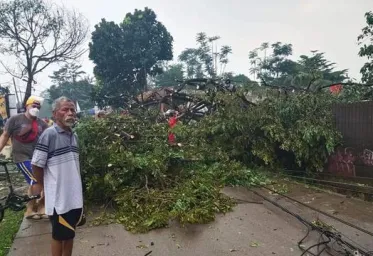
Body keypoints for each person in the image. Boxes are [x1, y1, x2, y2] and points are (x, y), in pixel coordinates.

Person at [31, 96, 83, 256]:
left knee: (70, 235)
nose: (70, 113)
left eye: (72, 110)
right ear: (55, 114)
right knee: (59, 236)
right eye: (65, 109)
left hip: (73, 198)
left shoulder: (73, 136)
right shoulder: (50, 134)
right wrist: (40, 185)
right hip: (59, 199)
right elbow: (36, 163)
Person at [0, 96, 48, 219]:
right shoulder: (15, 120)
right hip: (22, 157)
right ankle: (38, 208)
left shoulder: (41, 123)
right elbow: (5, 136)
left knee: (36, 182)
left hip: (37, 158)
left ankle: (32, 209)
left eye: (38, 107)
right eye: (34, 106)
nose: (36, 108)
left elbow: (48, 139)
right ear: (27, 105)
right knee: (37, 181)